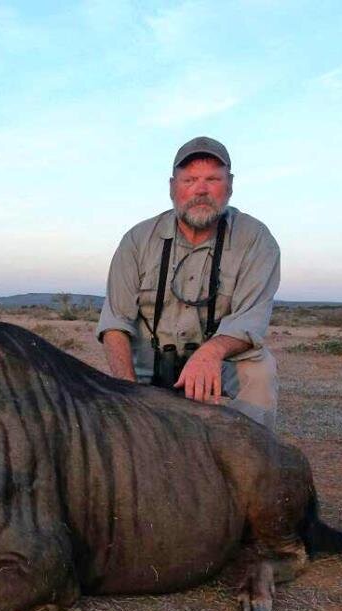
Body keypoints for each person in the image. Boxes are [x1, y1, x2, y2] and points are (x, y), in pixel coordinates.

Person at [96, 136, 280, 429]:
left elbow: (250, 319)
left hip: (219, 365)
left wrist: (211, 353)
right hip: (147, 370)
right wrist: (127, 391)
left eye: (212, 179)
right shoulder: (136, 240)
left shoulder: (256, 240)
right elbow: (115, 324)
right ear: (173, 187)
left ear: (229, 186)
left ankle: (253, 459)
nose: (201, 190)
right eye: (190, 180)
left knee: (260, 369)